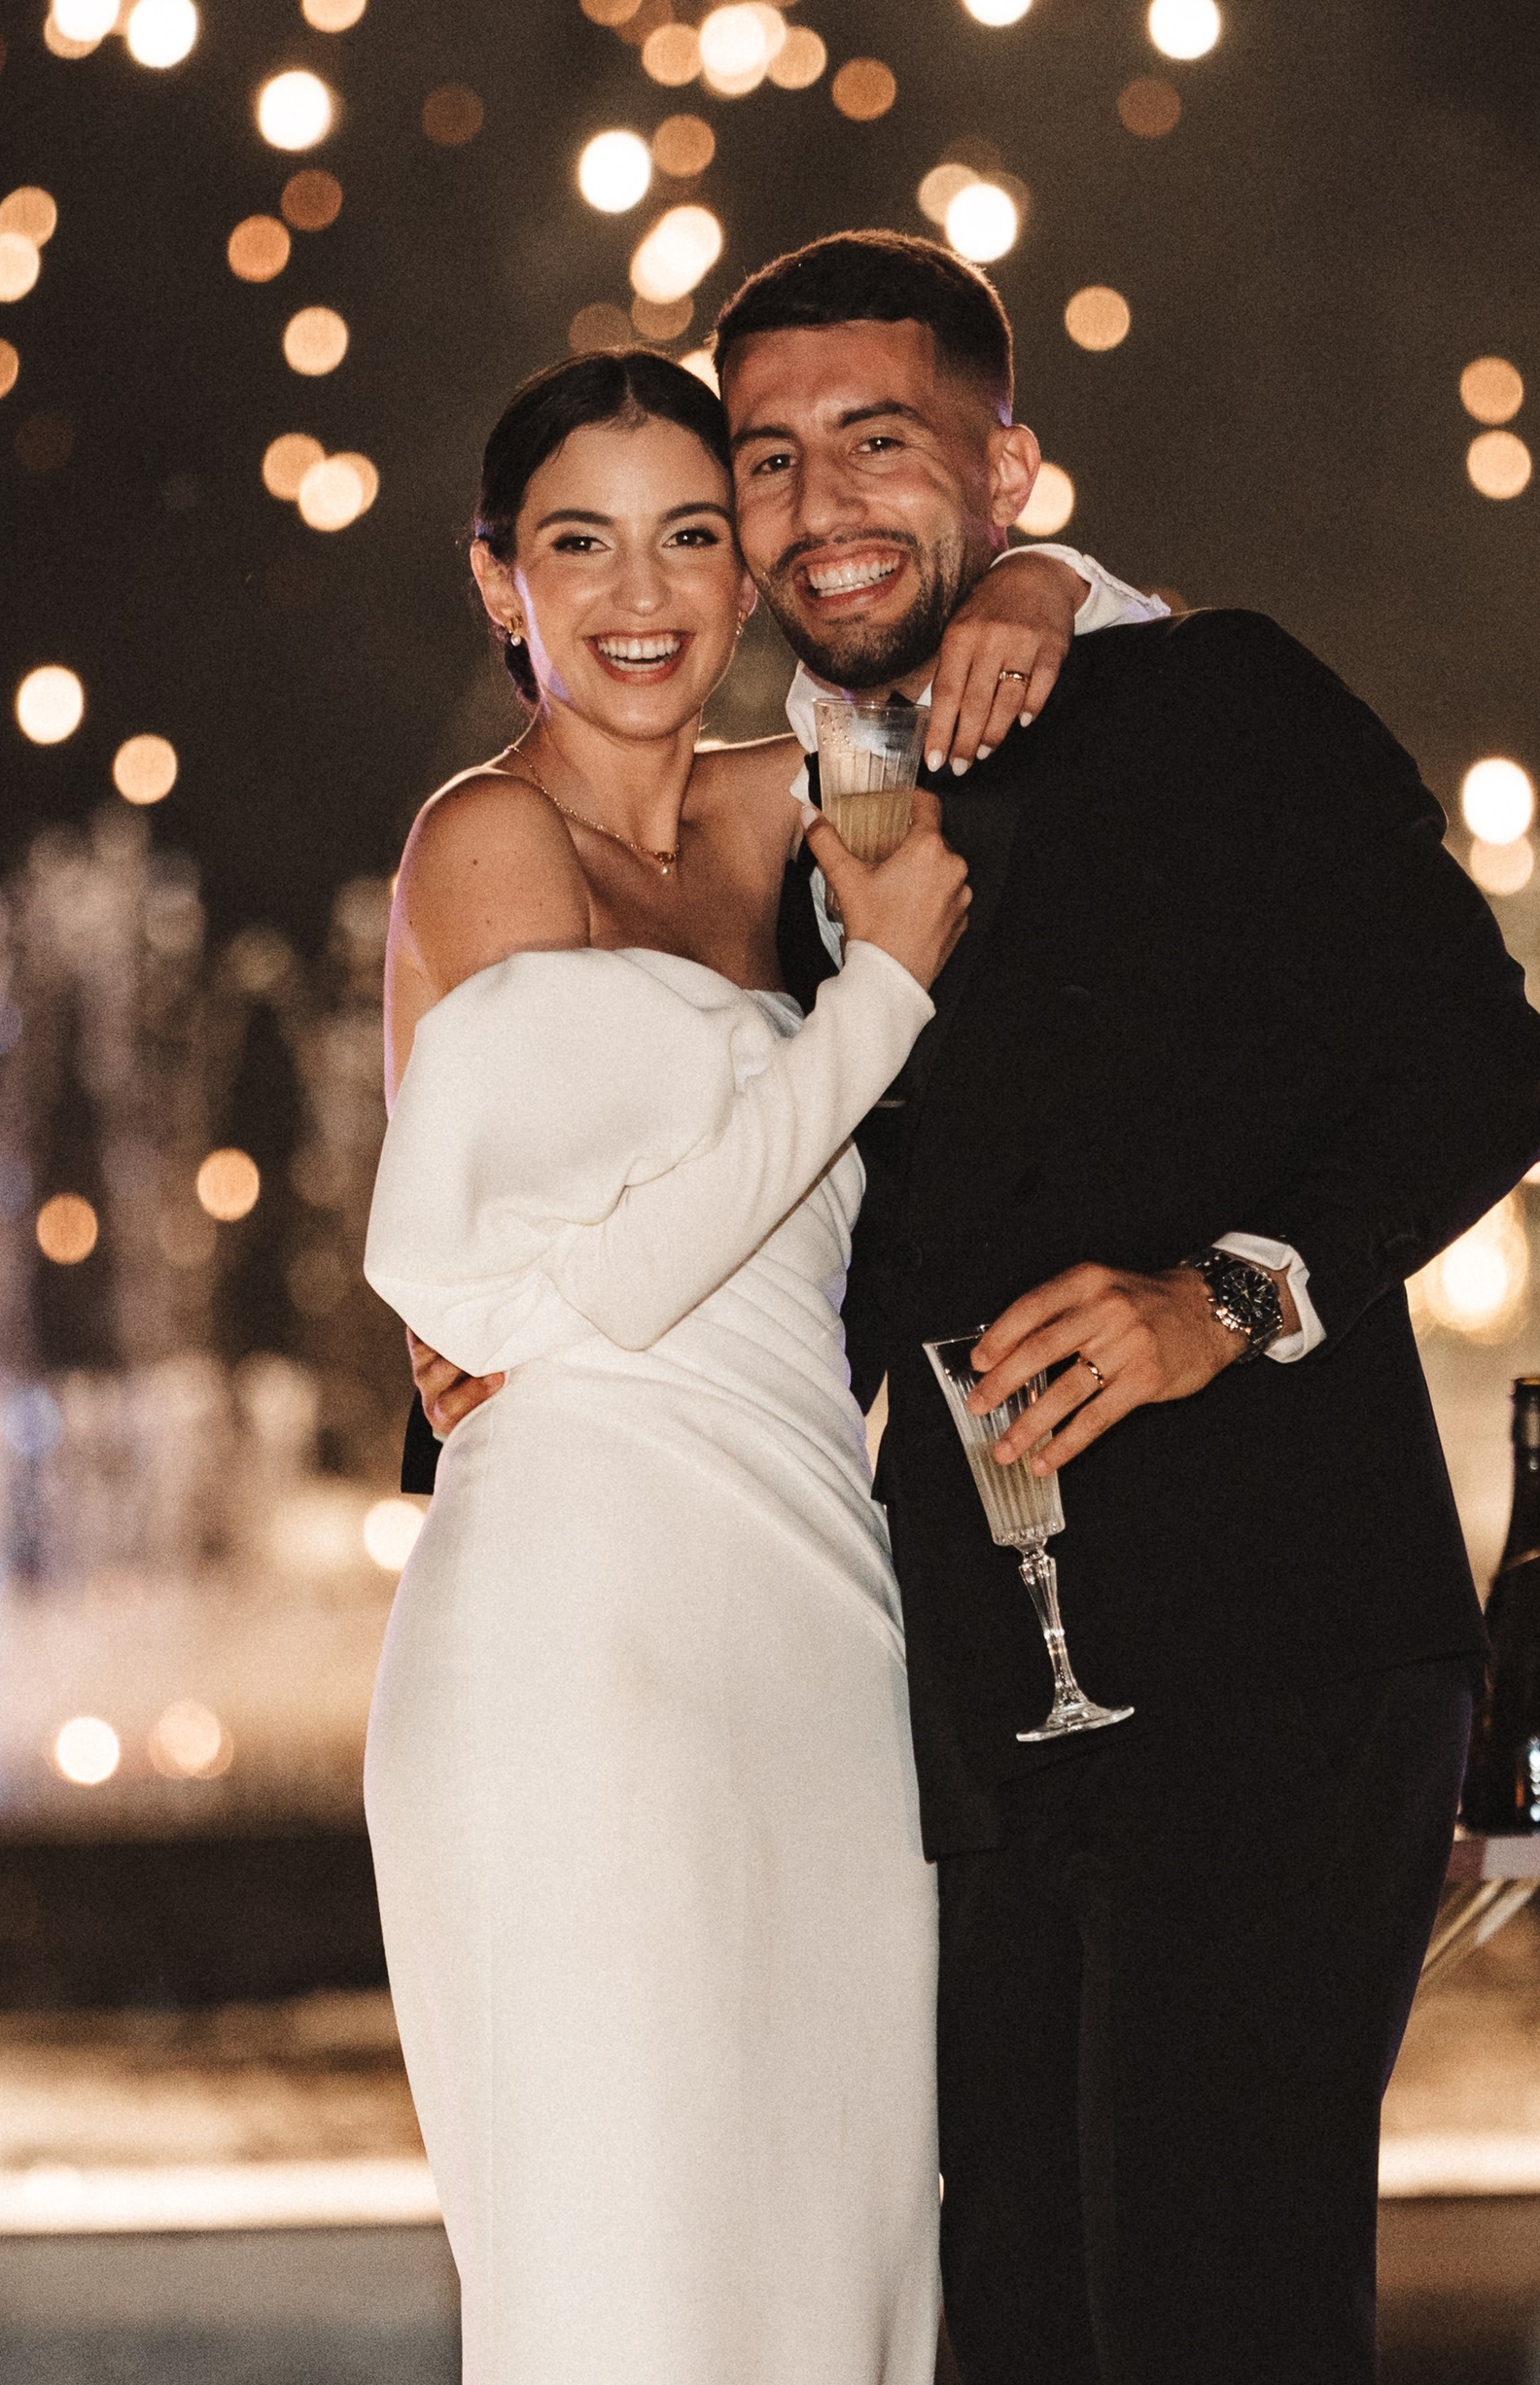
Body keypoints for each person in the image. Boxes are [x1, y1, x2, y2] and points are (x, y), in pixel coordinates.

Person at [696, 229, 1540, 2385]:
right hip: (977, 1685)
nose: (820, 509)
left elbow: (1485, 1070)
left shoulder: (1216, 702)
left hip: (1282, 1645)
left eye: (876, 445)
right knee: (1018, 2322)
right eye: (770, 460)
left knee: (1210, 2297)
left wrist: (1225, 1297)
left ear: (1007, 476)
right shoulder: (767, 831)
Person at [361, 347, 1115, 2385]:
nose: (642, 591)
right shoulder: (487, 847)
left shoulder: (796, 794)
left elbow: (1067, 712)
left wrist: (1044, 581)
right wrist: (875, 1001)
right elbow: (617, 1276)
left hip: (809, 1631)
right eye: (576, 541)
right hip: (583, 1638)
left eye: (693, 533)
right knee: (637, 2273)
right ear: (492, 581)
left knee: (836, 2266)